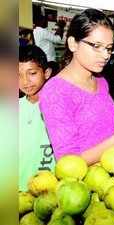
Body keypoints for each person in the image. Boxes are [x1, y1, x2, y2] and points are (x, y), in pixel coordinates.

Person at [39, 9, 114, 165]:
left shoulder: (100, 80)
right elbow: (68, 163)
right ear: (73, 43)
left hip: (113, 171)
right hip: (84, 184)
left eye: (109, 48)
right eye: (96, 46)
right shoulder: (55, 91)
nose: (105, 55)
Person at [19, 45, 55, 191]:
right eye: (18, 75)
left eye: (32, 73)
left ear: (46, 73)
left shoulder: (56, 107)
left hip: (47, 188)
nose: (25, 81)